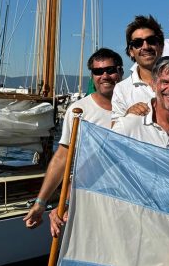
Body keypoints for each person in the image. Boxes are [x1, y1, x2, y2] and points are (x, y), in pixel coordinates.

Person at [24, 48, 123, 236]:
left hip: (126, 200)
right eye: (98, 71)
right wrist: (40, 202)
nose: (105, 76)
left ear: (120, 72)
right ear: (92, 76)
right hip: (89, 200)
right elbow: (62, 158)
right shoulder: (78, 111)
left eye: (110, 70)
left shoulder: (134, 108)